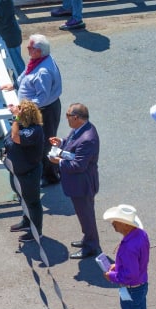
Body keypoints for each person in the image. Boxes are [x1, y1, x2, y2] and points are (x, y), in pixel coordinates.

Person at [0, 34, 62, 186]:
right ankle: (45, 172)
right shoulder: (39, 61)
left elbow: (42, 97)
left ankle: (51, 176)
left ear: (38, 51)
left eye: (30, 47)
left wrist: (21, 109)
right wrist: (15, 85)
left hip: (45, 111)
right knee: (40, 143)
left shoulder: (43, 72)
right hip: (39, 109)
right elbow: (26, 73)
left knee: (46, 143)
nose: (27, 49)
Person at [48, 103, 101, 259]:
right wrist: (61, 142)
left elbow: (78, 165)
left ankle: (91, 246)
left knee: (87, 216)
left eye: (68, 116)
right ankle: (88, 239)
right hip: (78, 183)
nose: (66, 119)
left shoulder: (87, 138)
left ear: (76, 117)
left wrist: (58, 161)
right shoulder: (80, 129)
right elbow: (71, 143)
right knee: (84, 215)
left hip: (83, 184)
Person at [102, 205, 150, 309]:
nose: (113, 224)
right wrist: (119, 265)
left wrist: (112, 276)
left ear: (127, 225)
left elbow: (130, 275)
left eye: (117, 221)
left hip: (131, 288)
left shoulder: (128, 246)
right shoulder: (140, 235)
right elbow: (136, 266)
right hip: (142, 285)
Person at [3, 100, 44, 242]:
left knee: (32, 203)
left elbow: (15, 138)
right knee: (22, 199)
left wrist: (16, 118)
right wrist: (15, 113)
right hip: (17, 172)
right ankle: (27, 221)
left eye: (20, 111)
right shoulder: (21, 125)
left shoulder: (34, 131)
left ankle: (36, 232)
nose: (17, 112)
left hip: (29, 174)